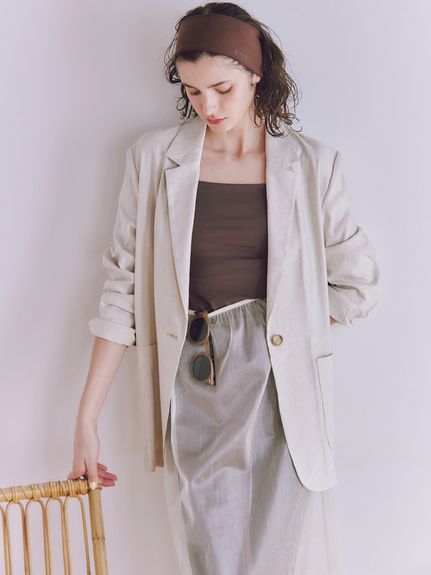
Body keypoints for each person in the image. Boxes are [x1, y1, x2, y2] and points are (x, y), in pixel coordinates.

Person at [68, 3, 380, 574]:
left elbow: (357, 284)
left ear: (255, 76)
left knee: (275, 559)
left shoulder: (313, 165)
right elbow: (122, 291)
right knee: (210, 556)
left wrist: (281, 328)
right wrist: (86, 420)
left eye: (222, 88)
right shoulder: (153, 159)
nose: (208, 106)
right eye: (192, 92)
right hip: (197, 381)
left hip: (282, 392)